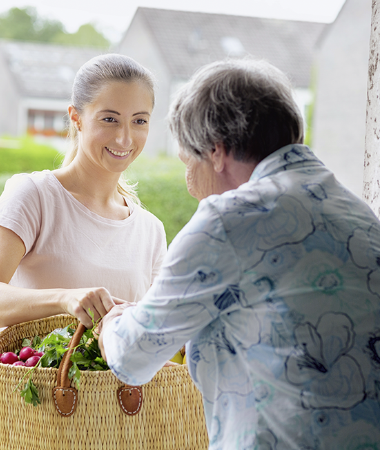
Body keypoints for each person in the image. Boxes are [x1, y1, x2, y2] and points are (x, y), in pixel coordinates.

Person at [99, 58, 380, 449]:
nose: (190, 186)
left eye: (187, 162)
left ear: (216, 151)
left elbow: (132, 357)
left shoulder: (227, 221)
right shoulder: (359, 213)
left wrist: (113, 321)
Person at [0, 54, 167, 450]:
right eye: (109, 118)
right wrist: (66, 299)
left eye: (139, 120)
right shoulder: (34, 195)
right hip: (8, 430)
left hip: (97, 436)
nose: (125, 137)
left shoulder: (150, 231)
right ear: (76, 117)